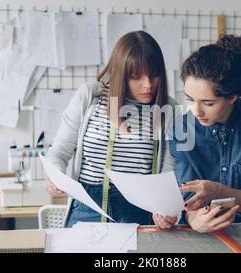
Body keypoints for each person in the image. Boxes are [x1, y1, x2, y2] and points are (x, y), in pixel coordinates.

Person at [44, 31, 178, 227]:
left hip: (140, 212)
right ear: (120, 73)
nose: (148, 84)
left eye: (154, 74)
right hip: (88, 206)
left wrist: (166, 208)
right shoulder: (90, 97)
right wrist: (55, 175)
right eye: (136, 76)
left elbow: (168, 171)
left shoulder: (169, 109)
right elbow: (59, 150)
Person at [155, 35, 241, 232]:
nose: (196, 111)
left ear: (232, 97)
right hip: (199, 234)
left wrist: (220, 192)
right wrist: (192, 218)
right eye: (190, 99)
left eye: (208, 103)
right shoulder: (181, 129)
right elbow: (186, 193)